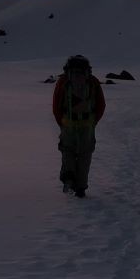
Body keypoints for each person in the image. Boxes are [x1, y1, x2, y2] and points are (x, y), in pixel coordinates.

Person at [52, 54, 105, 198]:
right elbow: (101, 104)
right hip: (87, 125)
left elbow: (56, 104)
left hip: (68, 124)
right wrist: (93, 122)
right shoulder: (92, 81)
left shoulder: (64, 81)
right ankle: (80, 187)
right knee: (85, 154)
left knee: (67, 150)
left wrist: (61, 122)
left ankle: (69, 177)